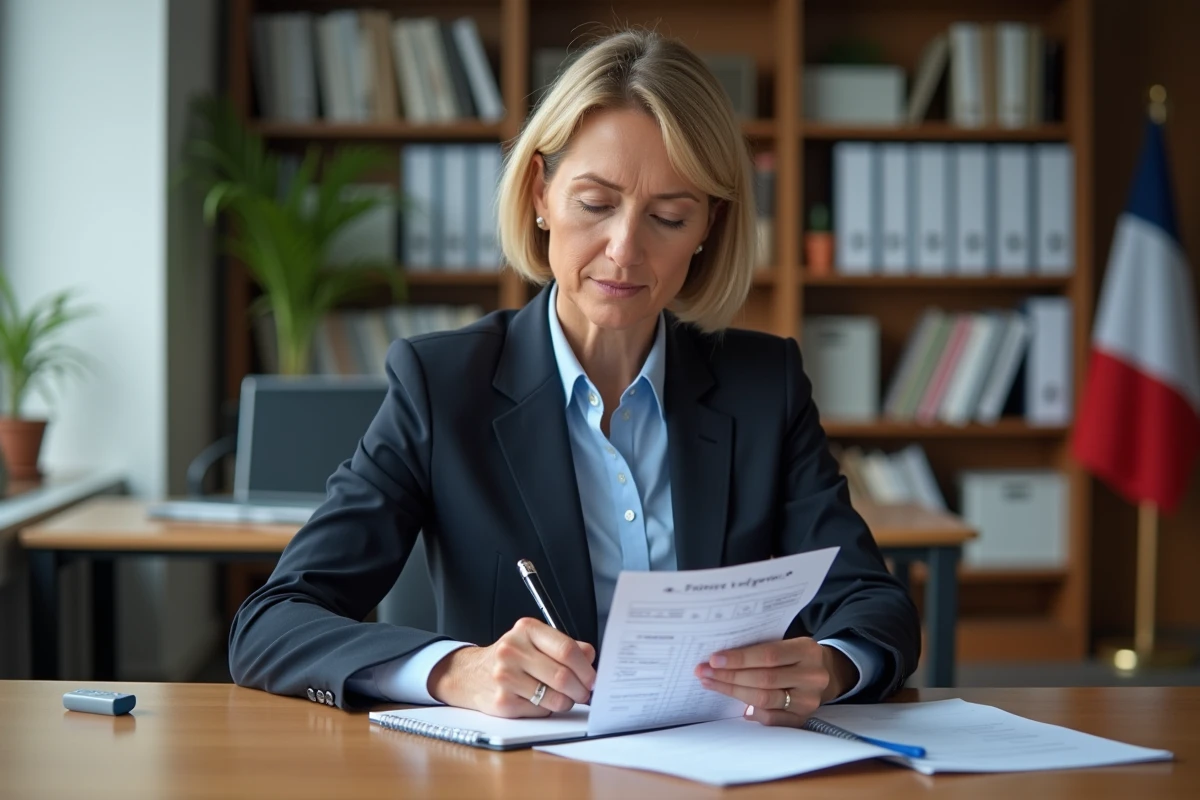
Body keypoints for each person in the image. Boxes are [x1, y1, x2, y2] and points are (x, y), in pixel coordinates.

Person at [229, 29, 920, 728]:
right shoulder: (441, 385)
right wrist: (450, 669)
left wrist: (829, 665)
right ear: (541, 192)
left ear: (709, 226)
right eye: (595, 203)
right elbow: (271, 623)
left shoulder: (762, 384)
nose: (625, 249)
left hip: (723, 765)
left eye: (669, 216)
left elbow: (874, 606)